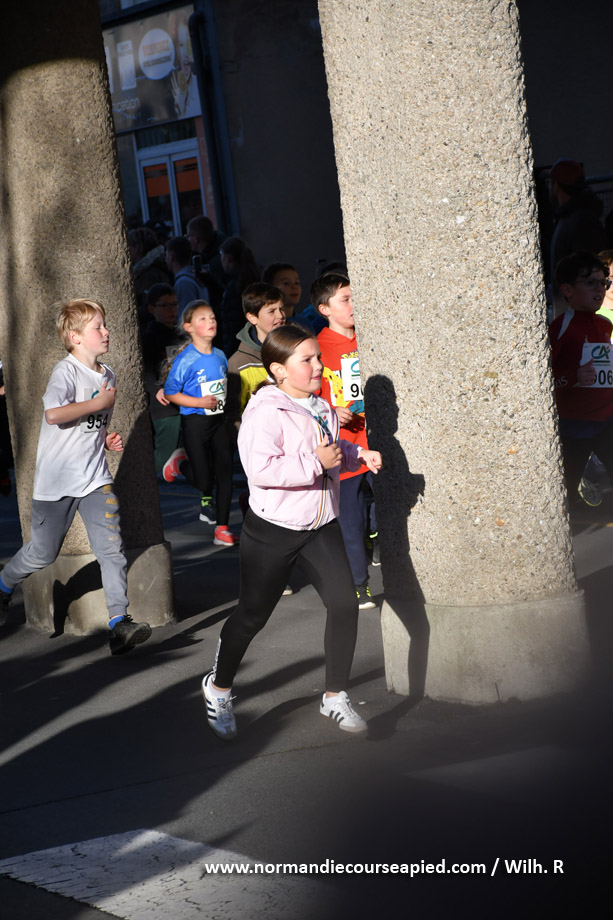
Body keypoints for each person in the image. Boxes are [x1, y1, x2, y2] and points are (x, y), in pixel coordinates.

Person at [201, 324, 382, 741]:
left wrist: (358, 453)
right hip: (273, 530)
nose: (319, 366)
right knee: (252, 616)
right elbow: (261, 471)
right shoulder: (264, 412)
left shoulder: (320, 405)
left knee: (344, 605)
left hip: (320, 525)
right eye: (308, 360)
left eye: (318, 357)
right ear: (279, 370)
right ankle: (219, 687)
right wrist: (316, 463)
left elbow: (332, 448)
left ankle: (334, 696)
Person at [0, 299, 152, 652]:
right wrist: (99, 404)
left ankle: (119, 623)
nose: (106, 331)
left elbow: (91, 424)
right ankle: (4, 584)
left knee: (112, 549)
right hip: (56, 483)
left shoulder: (108, 374)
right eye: (98, 327)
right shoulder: (65, 372)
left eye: (105, 325)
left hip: (95, 479)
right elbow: (54, 414)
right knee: (43, 553)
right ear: (75, 337)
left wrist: (106, 437)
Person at [314, 272, 379, 606]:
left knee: (382, 515)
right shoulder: (317, 348)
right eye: (345, 300)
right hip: (345, 449)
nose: (354, 305)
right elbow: (307, 396)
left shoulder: (371, 337)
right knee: (350, 523)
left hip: (377, 443)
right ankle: (358, 583)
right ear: (324, 308)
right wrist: (330, 410)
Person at [162, 301, 238, 545]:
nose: (210, 322)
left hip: (219, 421)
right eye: (203, 319)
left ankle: (222, 528)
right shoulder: (186, 359)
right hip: (195, 422)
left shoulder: (221, 355)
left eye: (212, 317)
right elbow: (171, 392)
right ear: (189, 327)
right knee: (204, 480)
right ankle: (180, 464)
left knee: (225, 474)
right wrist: (199, 402)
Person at [549, 251, 613, 503]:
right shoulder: (559, 328)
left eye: (603, 282)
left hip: (607, 419)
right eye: (590, 283)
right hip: (574, 426)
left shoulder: (605, 325)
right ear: (567, 290)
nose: (600, 289)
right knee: (565, 490)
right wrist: (573, 377)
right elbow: (544, 381)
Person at [548, 159, 608, 319]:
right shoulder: (574, 219)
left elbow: (592, 271)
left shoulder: (580, 222)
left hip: (580, 318)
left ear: (556, 186)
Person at [225, 282, 286, 434]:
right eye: (271, 311)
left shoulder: (296, 351)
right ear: (252, 318)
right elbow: (233, 414)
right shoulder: (238, 364)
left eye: (282, 309)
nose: (280, 316)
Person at [141, 283, 184, 475]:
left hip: (186, 402)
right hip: (164, 407)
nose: (171, 310)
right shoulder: (149, 337)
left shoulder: (181, 334)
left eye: (174, 304)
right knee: (165, 457)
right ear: (152, 308)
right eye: (165, 305)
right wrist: (156, 389)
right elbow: (145, 370)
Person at [219, 237, 261, 358]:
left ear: (228, 258)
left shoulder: (235, 287)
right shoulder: (253, 279)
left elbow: (233, 325)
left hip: (238, 350)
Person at [127, 227, 173, 330]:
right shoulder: (147, 270)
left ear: (137, 247)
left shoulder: (149, 274)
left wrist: (130, 313)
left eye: (129, 246)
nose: (127, 251)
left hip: (153, 329)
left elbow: (150, 306)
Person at [165, 236, 210, 321]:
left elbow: (185, 317)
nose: (165, 259)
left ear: (172, 256)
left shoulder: (183, 283)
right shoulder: (196, 277)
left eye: (166, 255)